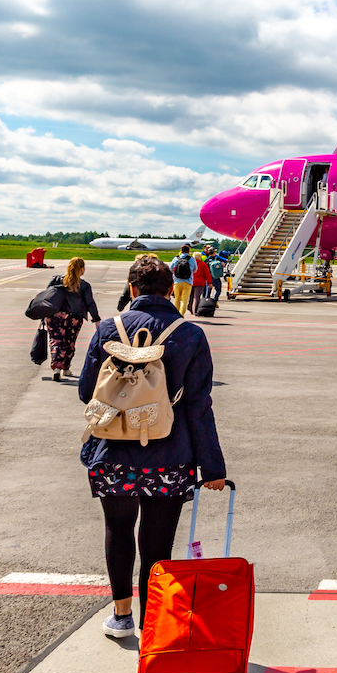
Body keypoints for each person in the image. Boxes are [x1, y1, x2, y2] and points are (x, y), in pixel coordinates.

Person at [77, 254, 227, 639]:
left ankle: (122, 616)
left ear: (132, 289)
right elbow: (198, 407)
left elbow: (85, 392)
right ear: (168, 290)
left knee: (118, 527)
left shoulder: (107, 328)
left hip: (111, 452)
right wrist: (212, 467)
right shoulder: (190, 334)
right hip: (169, 455)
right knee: (158, 542)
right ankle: (153, 622)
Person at [44, 258, 100, 382]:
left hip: (55, 316)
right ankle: (66, 367)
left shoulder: (56, 280)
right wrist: (96, 319)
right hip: (74, 317)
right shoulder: (84, 286)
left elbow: (46, 297)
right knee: (70, 342)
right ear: (81, 269)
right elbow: (90, 303)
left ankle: (56, 367)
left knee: (56, 341)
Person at [170, 245, 195, 315]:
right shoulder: (191, 259)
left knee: (177, 299)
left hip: (177, 281)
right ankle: (181, 314)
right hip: (188, 281)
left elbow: (170, 268)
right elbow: (195, 270)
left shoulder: (176, 259)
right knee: (184, 300)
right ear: (188, 251)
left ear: (181, 251)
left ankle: (176, 314)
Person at [190, 248, 211, 314]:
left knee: (190, 297)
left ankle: (190, 309)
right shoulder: (203, 264)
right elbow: (207, 274)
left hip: (190, 281)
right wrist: (209, 283)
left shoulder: (190, 264)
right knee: (197, 297)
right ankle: (195, 310)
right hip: (200, 282)